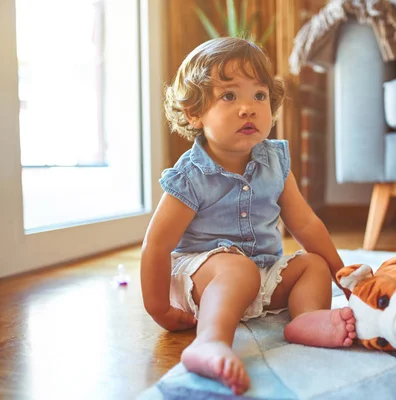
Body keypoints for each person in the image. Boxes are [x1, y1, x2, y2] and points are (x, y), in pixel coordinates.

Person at [140, 37, 356, 395]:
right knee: (236, 268)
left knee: (313, 264)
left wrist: (341, 274)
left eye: (259, 95)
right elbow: (156, 245)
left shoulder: (275, 161)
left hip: (261, 274)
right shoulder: (191, 176)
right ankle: (210, 342)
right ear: (194, 113)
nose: (248, 108)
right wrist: (159, 308)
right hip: (201, 278)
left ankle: (306, 321)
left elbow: (305, 224)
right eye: (229, 96)